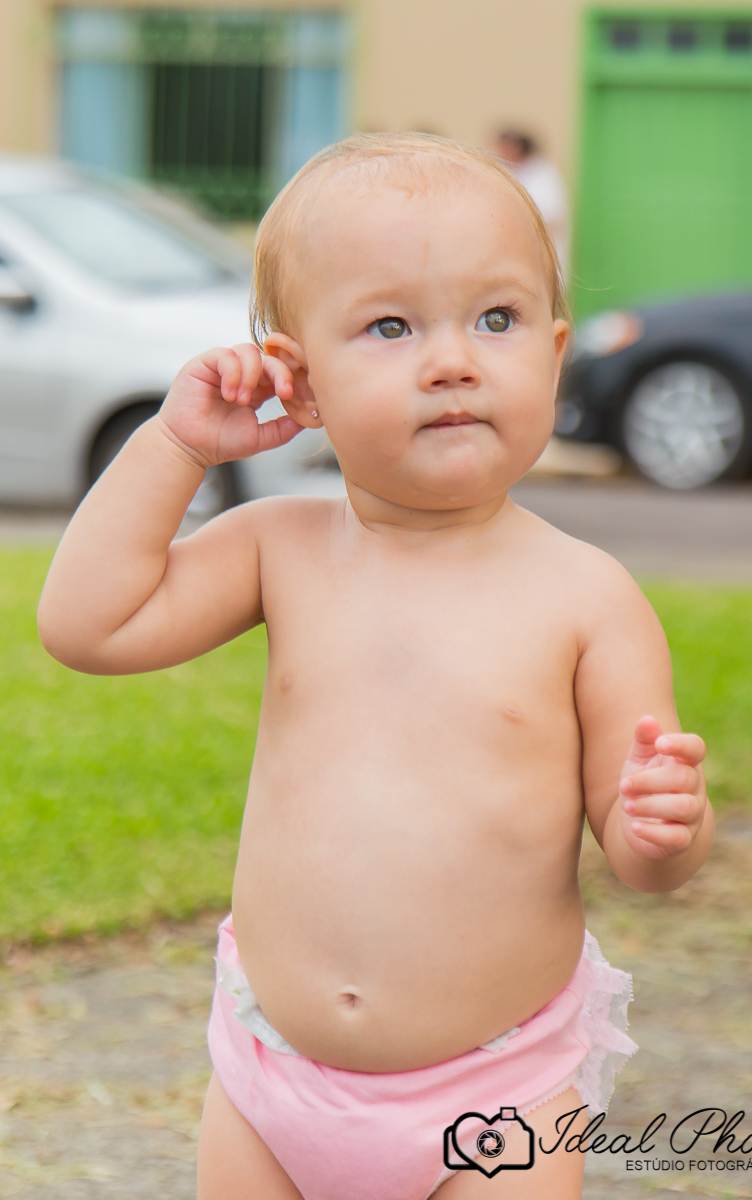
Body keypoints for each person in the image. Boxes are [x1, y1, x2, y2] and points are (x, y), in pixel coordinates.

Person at [38, 132, 712, 1200]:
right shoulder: (281, 548)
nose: (451, 360)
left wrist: (662, 825)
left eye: (493, 319)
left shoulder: (586, 600)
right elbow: (87, 626)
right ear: (295, 379)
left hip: (495, 1098)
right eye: (390, 326)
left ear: (552, 348)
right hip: (271, 1079)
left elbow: (644, 861)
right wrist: (176, 446)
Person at [494, 128, 570, 274]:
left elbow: (552, 219)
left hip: (539, 256)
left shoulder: (542, 174)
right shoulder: (512, 171)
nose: (499, 152)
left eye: (503, 147)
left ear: (516, 147)